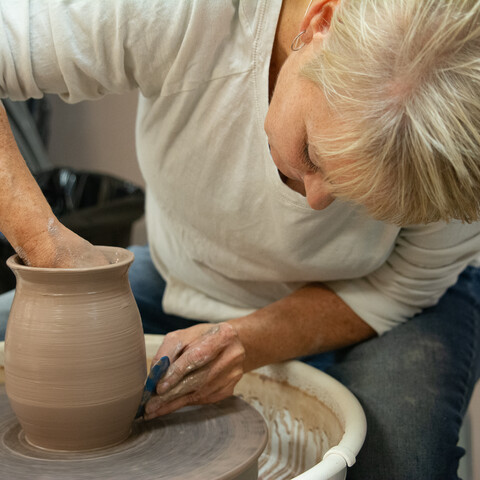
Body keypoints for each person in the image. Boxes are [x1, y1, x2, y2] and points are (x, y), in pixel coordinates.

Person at [0, 0, 479, 478]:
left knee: (402, 463)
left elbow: (405, 284)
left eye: (357, 197)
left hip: (378, 298)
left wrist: (252, 340)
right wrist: (48, 247)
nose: (314, 201)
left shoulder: (462, 151)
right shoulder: (188, 13)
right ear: (320, 22)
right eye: (312, 152)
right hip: (189, 273)